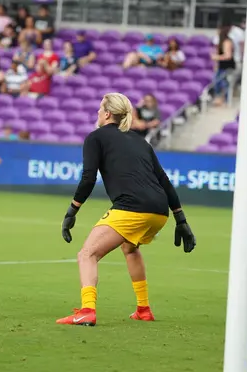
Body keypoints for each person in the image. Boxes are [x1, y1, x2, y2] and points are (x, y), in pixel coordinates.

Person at [56, 93, 196, 327]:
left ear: (108, 113)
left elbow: (88, 178)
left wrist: (72, 211)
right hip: (159, 212)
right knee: (130, 248)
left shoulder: (96, 138)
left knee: (87, 254)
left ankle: (87, 311)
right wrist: (181, 220)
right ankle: (143, 309)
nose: (98, 113)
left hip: (132, 208)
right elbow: (164, 181)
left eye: (100, 109)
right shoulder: (141, 141)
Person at [210, 25, 236, 106]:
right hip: (221, 66)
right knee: (218, 82)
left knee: (224, 83)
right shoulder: (220, 42)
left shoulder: (227, 42)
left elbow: (228, 56)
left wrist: (216, 57)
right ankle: (220, 99)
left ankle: (225, 100)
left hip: (227, 67)